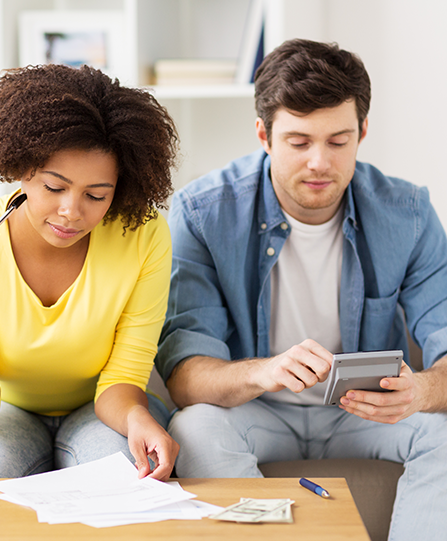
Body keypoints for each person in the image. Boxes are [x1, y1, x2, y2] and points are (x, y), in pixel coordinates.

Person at [156, 39, 447, 539]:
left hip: (364, 412)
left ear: (362, 132)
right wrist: (264, 372)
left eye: (338, 141)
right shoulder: (202, 213)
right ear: (264, 135)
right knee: (193, 427)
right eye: (299, 142)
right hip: (259, 410)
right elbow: (185, 376)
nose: (319, 162)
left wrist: (421, 390)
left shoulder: (409, 212)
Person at [0, 64, 180, 509]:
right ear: (22, 168)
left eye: (96, 195)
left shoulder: (144, 235)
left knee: (127, 491)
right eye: (54, 186)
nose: (70, 211)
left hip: (99, 408)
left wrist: (139, 417)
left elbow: (122, 378)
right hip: (0, 411)